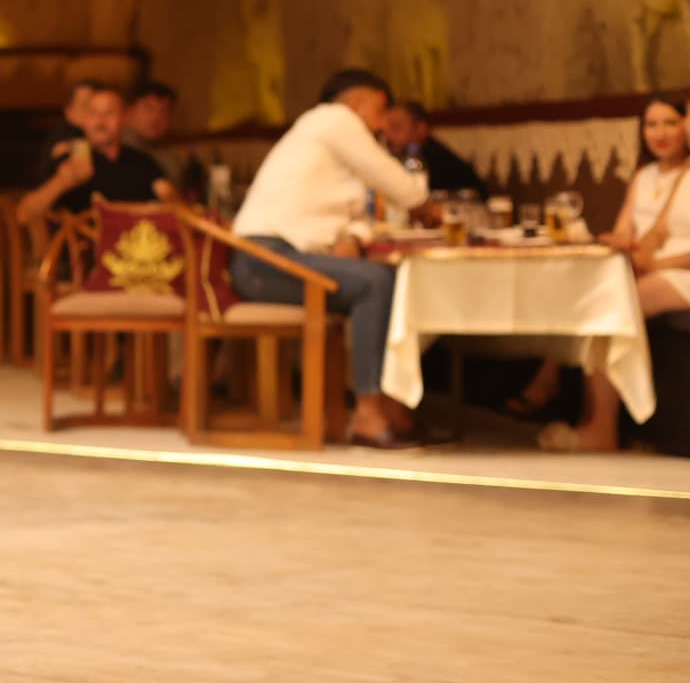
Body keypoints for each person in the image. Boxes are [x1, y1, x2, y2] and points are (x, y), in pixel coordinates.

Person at [544, 76, 690, 452]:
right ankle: (596, 420)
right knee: (607, 291)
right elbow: (658, 232)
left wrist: (660, 265)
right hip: (679, 271)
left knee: (616, 303)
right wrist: (631, 256)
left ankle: (601, 428)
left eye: (688, 114)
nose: (683, 124)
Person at [228, 68, 431, 449]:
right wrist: (425, 202)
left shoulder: (331, 142)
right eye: (380, 108)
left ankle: (391, 405)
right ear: (355, 102)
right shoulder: (332, 120)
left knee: (382, 278)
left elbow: (359, 213)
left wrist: (353, 235)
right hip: (263, 261)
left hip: (280, 259)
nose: (384, 121)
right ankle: (371, 413)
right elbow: (400, 188)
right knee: (375, 282)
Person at [505, 92, 690, 419]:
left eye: (670, 123)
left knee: (602, 298)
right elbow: (624, 228)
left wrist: (637, 252)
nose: (659, 134)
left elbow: (662, 234)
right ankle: (555, 380)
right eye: (651, 125)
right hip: (637, 262)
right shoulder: (644, 176)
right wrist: (615, 241)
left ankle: (567, 392)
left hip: (667, 264)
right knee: (578, 287)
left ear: (687, 126)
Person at [15, 83, 174, 226]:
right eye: (93, 113)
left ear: (125, 118)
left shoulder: (143, 162)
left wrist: (170, 198)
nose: (100, 120)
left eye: (109, 113)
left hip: (136, 252)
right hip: (81, 255)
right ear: (85, 120)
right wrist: (61, 182)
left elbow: (174, 208)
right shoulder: (69, 159)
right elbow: (24, 215)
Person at [382, 100, 488, 199]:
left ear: (421, 129)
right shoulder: (391, 154)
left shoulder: (439, 161)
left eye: (396, 128)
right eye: (384, 129)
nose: (388, 135)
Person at [124, 80, 178, 183]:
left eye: (164, 111)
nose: (156, 117)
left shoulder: (170, 158)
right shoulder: (113, 148)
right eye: (149, 108)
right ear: (129, 112)